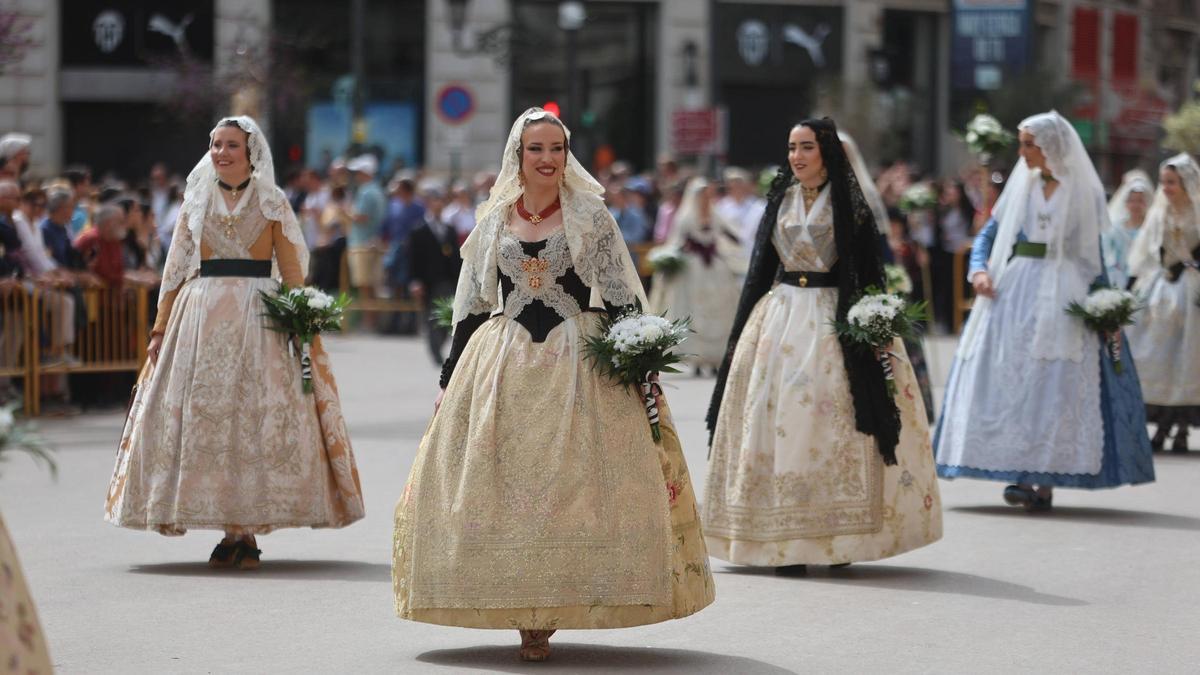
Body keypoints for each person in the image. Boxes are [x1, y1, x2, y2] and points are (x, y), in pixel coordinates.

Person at [392, 108, 713, 661]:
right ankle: (523, 610)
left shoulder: (591, 216)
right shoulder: (493, 220)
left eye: (556, 149)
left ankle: (556, 603)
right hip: (503, 357)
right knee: (506, 479)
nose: (547, 159)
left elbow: (621, 300)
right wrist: (449, 379)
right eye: (536, 149)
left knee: (574, 484)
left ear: (567, 156)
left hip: (578, 356)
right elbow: (470, 308)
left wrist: (640, 364)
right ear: (518, 155)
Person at [105, 116, 364, 568]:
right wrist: (160, 328)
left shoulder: (271, 199)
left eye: (231, 146)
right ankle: (229, 528)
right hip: (200, 316)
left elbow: (292, 268)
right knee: (207, 419)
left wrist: (301, 318)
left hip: (258, 316)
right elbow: (175, 270)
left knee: (250, 418)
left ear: (251, 153)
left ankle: (242, 532)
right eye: (216, 144)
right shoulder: (196, 199)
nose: (221, 152)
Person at [704, 118, 942, 574]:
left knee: (832, 421)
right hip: (780, 316)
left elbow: (868, 271)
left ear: (826, 152)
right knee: (774, 419)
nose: (796, 156)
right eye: (792, 147)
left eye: (806, 147)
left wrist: (870, 328)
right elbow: (761, 268)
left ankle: (837, 536)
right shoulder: (781, 199)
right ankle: (782, 539)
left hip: (832, 318)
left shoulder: (849, 205)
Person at [935, 111, 1154, 510]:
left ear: (1051, 146)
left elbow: (1094, 258)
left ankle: (1045, 478)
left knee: (1055, 385)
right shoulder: (1022, 187)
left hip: (1064, 293)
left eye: (1029, 144)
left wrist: (1106, 307)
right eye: (1021, 143)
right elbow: (988, 235)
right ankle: (1021, 471)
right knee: (1012, 380)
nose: (1022, 153)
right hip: (1015, 291)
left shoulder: (1083, 193)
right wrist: (979, 270)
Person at [1126, 155, 1200, 452]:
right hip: (1160, 286)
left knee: (1187, 357)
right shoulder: (1158, 213)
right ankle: (1161, 425)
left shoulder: (1198, 212)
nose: (1166, 188)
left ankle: (1181, 427)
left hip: (1193, 288)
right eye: (1164, 182)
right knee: (1154, 354)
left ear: (1184, 183)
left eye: (1172, 182)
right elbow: (1143, 252)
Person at [648, 177, 744, 374]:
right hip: (693, 270)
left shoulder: (716, 215)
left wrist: (734, 244)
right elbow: (677, 242)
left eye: (707, 194)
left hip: (715, 268)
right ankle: (698, 359)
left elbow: (732, 236)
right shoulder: (686, 217)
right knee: (694, 311)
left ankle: (717, 357)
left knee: (720, 310)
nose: (705, 198)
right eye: (702, 194)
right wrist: (670, 259)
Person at [405, 182, 460, 364]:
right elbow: (413, 259)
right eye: (435, 201)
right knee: (431, 316)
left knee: (446, 316)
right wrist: (414, 281)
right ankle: (435, 351)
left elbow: (455, 258)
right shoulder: (418, 230)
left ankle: (440, 343)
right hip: (428, 281)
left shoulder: (449, 230)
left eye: (441, 201)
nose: (438, 205)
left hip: (448, 280)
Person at [346, 154, 385, 322]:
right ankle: (374, 320)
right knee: (372, 284)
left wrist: (344, 212)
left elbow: (361, 217)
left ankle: (370, 321)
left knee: (364, 285)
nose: (356, 175)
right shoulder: (377, 190)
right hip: (373, 241)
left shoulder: (366, 191)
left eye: (359, 172)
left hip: (362, 243)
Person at [1104, 169, 1153, 291]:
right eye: (1132, 201)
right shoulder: (1116, 229)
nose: (1135, 205)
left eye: (1140, 201)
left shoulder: (1150, 229)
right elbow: (1108, 253)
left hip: (1143, 279)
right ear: (1125, 202)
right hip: (1118, 278)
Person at [715, 167, 767, 259]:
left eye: (738, 183)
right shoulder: (721, 206)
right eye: (732, 184)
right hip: (727, 254)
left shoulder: (759, 206)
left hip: (750, 252)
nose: (735, 187)